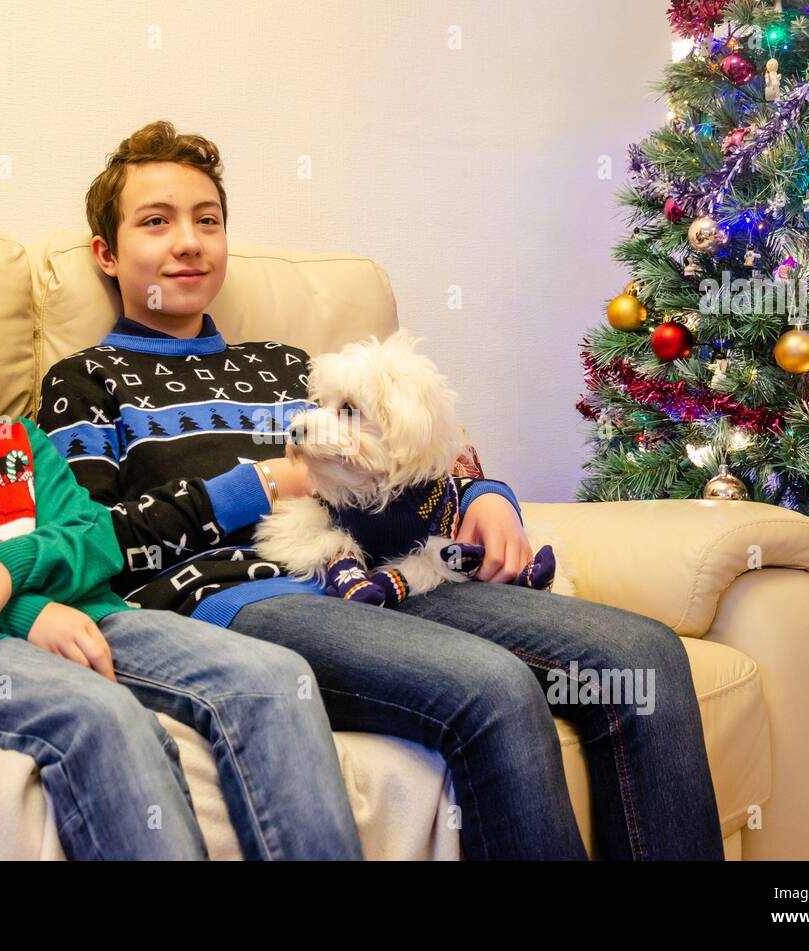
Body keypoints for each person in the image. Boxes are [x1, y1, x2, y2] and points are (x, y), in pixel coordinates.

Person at [37, 121, 727, 860]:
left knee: (643, 655)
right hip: (246, 601)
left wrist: (484, 494)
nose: (189, 241)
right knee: (491, 689)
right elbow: (100, 546)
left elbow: (415, 448)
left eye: (208, 220)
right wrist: (269, 481)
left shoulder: (286, 363)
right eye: (156, 222)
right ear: (108, 255)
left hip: (394, 570)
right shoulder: (85, 381)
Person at [0, 212, 363, 861]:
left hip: (87, 617)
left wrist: (12, 573)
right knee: (102, 715)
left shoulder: (19, 442)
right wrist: (22, 609)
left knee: (273, 676)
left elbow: (90, 535)